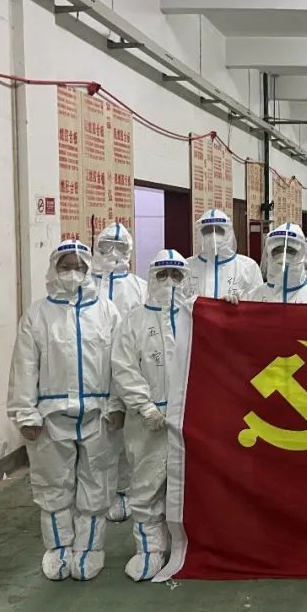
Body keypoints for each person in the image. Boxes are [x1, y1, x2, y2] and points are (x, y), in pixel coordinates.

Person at [7, 240, 122, 581]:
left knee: (96, 486)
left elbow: (120, 362)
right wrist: (25, 413)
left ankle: (89, 549)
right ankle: (58, 548)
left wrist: (117, 404)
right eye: (65, 267)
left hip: (98, 414)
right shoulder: (38, 314)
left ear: (89, 270)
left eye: (79, 267)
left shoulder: (107, 311)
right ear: (53, 270)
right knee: (53, 487)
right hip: (51, 417)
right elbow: (24, 366)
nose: (73, 273)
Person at [110, 249, 193, 581]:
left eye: (177, 274)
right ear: (151, 277)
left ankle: (187, 545)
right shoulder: (134, 320)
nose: (169, 281)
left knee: (189, 485)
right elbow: (123, 367)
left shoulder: (196, 317)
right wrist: (144, 406)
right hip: (149, 421)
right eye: (163, 274)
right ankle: (150, 549)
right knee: (146, 485)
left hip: (190, 420)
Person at [92, 222, 148, 524]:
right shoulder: (86, 285)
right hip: (93, 373)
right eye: (105, 247)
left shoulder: (140, 287)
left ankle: (124, 492)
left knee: (128, 436)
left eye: (120, 248)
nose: (112, 253)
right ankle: (97, 493)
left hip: (130, 371)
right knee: (95, 439)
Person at [246, 223, 307, 305]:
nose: (283, 256)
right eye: (278, 250)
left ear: (301, 253)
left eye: (290, 250)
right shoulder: (254, 297)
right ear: (269, 253)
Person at [187, 209, 263, 300]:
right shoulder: (188, 267)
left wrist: (238, 303)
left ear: (228, 232)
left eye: (219, 230)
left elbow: (258, 302)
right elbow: (179, 301)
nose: (213, 235)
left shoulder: (248, 267)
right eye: (207, 230)